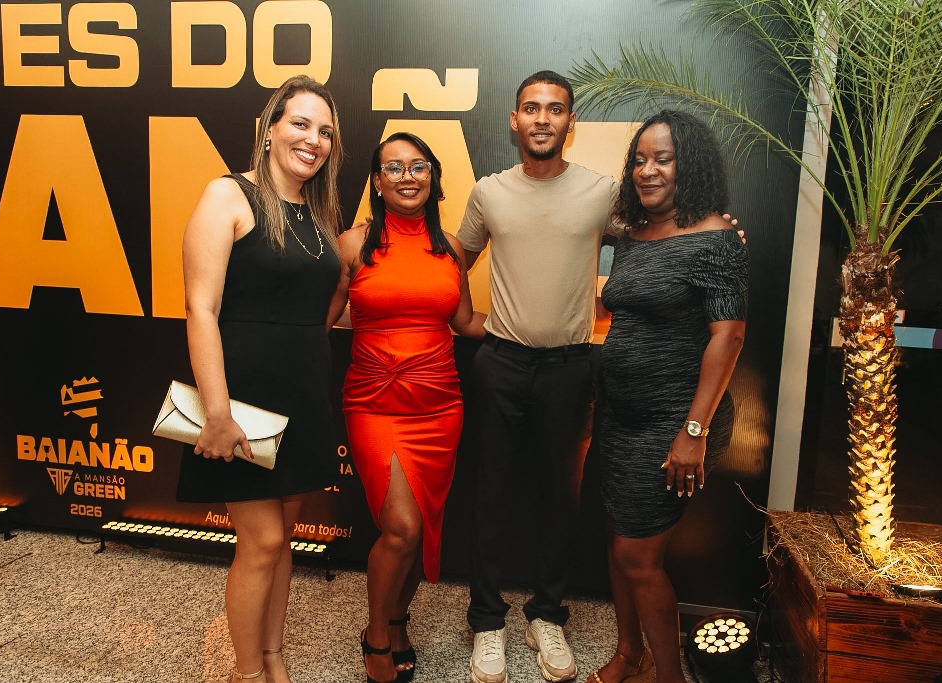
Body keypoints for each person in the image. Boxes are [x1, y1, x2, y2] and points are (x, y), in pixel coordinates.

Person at [175, 75, 344, 683]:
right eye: (300, 124)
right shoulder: (227, 195)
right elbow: (200, 309)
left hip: (302, 394)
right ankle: (246, 672)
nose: (313, 139)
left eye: (325, 131)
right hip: (241, 397)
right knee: (264, 541)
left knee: (284, 539)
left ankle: (272, 657)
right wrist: (217, 413)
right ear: (269, 129)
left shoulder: (318, 214)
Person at [457, 70, 622, 683]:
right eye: (532, 108)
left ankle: (547, 614)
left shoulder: (602, 192)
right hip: (500, 362)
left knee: (561, 497)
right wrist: (466, 320)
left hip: (570, 367)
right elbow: (454, 259)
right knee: (491, 496)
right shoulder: (489, 192)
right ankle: (487, 621)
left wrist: (713, 229)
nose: (543, 119)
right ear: (514, 120)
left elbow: (651, 239)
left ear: (570, 123)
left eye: (555, 109)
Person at [588, 111, 748, 683]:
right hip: (622, 417)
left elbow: (729, 337)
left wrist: (693, 432)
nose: (647, 171)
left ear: (690, 165)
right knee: (618, 541)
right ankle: (629, 655)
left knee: (638, 556)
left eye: (663, 159)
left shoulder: (717, 237)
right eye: (639, 160)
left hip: (676, 421)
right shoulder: (632, 235)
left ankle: (668, 676)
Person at [328, 132, 487, 683]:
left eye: (418, 166)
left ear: (433, 178)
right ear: (377, 181)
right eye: (393, 168)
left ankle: (398, 620)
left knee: (422, 530)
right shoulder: (353, 244)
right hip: (374, 402)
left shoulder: (452, 249)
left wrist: (535, 324)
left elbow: (464, 321)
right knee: (400, 527)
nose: (407, 176)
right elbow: (322, 317)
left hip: (439, 405)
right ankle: (376, 636)